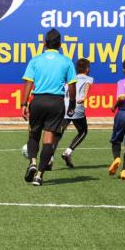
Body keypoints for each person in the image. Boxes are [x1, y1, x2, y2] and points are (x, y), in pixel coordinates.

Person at [21, 29, 76, 186]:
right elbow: (72, 85)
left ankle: (32, 162)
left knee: (33, 135)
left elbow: (29, 82)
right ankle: (39, 175)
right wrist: (72, 104)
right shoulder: (66, 61)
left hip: (38, 101)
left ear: (44, 43)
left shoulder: (36, 60)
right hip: (56, 102)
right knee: (49, 139)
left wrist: (24, 104)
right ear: (60, 45)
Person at [53, 58, 93, 168]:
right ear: (87, 69)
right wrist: (85, 96)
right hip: (76, 106)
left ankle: (50, 158)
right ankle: (68, 152)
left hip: (65, 105)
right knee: (83, 131)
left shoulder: (71, 78)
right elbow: (87, 86)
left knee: (59, 132)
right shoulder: (88, 78)